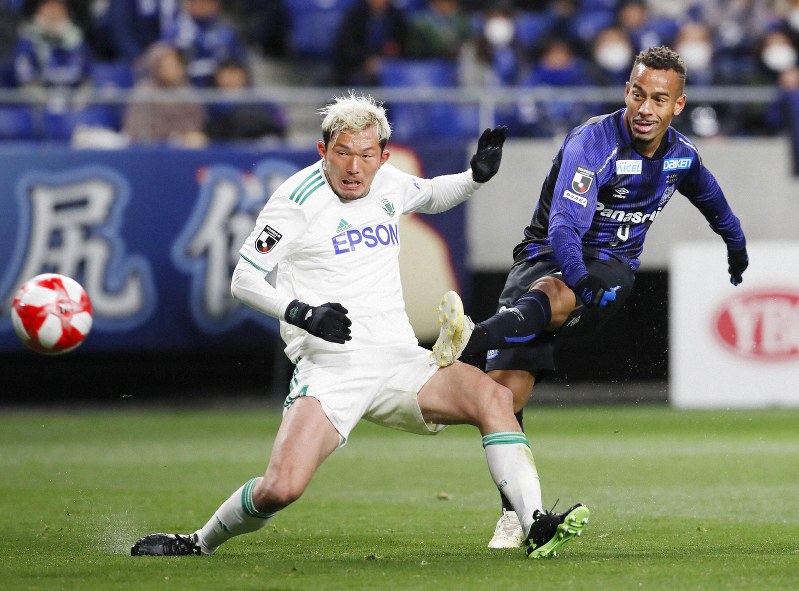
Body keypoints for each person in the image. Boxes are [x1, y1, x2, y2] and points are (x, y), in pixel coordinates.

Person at [130, 93, 590, 559]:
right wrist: (302, 313)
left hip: (400, 360)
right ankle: (199, 541)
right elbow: (244, 279)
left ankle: (533, 524)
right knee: (281, 488)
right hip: (332, 367)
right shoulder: (294, 201)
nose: (354, 167)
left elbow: (430, 195)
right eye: (343, 153)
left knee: (495, 397)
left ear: (382, 156)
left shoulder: (387, 182)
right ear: (322, 152)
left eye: (366, 155)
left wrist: (474, 177)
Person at [430, 46, 749, 548]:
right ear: (627, 91)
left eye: (659, 100)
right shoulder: (592, 143)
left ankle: (473, 336)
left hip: (610, 268)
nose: (646, 108)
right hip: (549, 254)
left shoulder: (682, 155)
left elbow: (710, 196)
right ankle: (517, 513)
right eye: (638, 94)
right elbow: (562, 226)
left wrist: (736, 244)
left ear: (678, 105)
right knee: (504, 394)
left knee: (569, 291)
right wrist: (576, 277)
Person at [122, 42, 207, 146]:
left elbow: (196, 126)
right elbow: (136, 131)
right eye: (166, 65)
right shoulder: (144, 92)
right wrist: (172, 138)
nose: (171, 69)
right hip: (151, 148)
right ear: (156, 67)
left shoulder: (188, 92)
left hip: (182, 147)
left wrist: (186, 136)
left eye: (174, 64)